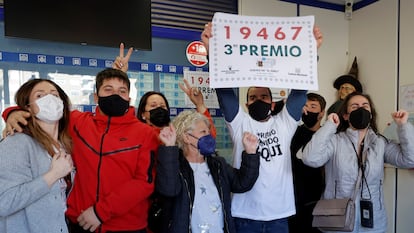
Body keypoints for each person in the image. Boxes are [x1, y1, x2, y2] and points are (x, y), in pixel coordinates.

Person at [2, 68, 160, 233]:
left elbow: (144, 182)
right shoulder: (78, 122)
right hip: (79, 223)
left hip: (127, 226)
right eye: (108, 89)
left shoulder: (145, 133)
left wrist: (100, 212)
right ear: (96, 97)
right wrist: (12, 113)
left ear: (129, 98)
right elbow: (44, 113)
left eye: (122, 91)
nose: (115, 95)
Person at [201, 22, 323, 233]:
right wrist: (213, 52)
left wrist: (311, 51)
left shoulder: (284, 122)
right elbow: (224, 91)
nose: (258, 100)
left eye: (264, 96)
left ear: (272, 103)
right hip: (245, 214)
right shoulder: (239, 122)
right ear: (246, 103)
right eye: (253, 97)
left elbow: (300, 91)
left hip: (279, 215)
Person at [302, 92, 414, 233]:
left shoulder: (380, 143)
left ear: (371, 114)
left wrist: (403, 126)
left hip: (372, 221)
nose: (360, 110)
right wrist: (330, 126)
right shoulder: (335, 141)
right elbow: (310, 158)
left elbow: (410, 159)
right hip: (337, 221)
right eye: (354, 106)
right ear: (346, 115)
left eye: (365, 106)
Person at [156, 110, 260, 233]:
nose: (209, 136)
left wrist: (251, 152)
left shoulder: (218, 164)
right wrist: (169, 148)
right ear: (187, 137)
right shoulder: (175, 166)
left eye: (208, 132)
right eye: (203, 132)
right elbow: (169, 190)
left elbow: (242, 184)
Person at [0, 79, 74, 233]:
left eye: (55, 95)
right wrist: (53, 175)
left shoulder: (63, 145)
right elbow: (4, 203)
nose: (50, 99)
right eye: (40, 96)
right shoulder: (16, 142)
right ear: (28, 108)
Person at [288, 93, 326, 233]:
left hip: (318, 200)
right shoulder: (292, 132)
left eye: (313, 106)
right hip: (294, 199)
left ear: (321, 113)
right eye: (305, 106)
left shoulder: (326, 136)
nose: (308, 110)